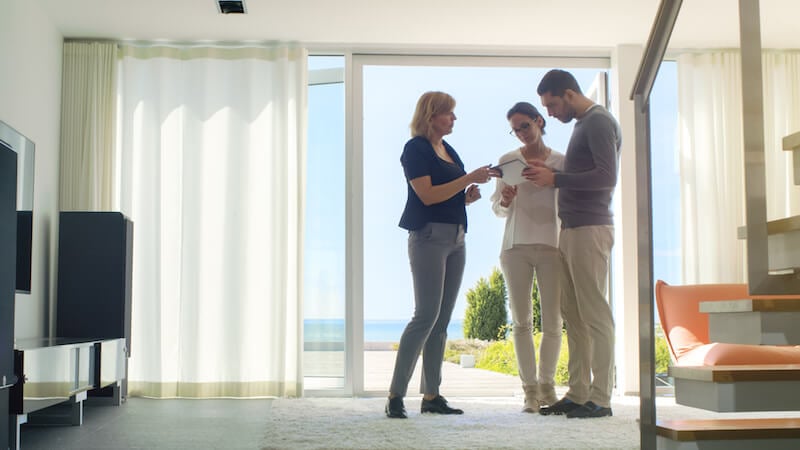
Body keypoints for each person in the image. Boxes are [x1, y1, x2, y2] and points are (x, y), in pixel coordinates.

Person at [386, 91, 496, 419]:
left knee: (442, 320)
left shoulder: (448, 150)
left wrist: (466, 198)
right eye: (449, 113)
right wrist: (467, 178)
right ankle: (395, 396)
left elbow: (446, 196)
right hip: (429, 237)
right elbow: (427, 195)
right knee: (425, 316)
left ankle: (432, 395)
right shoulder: (416, 149)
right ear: (431, 115)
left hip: (456, 238)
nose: (454, 119)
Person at [527, 69, 621, 419]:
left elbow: (607, 176)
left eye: (551, 105)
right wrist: (553, 178)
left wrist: (557, 178)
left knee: (594, 313)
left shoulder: (597, 122)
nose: (549, 113)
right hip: (571, 228)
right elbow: (585, 172)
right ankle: (579, 392)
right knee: (574, 315)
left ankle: (601, 397)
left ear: (568, 94)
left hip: (590, 229)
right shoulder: (583, 125)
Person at [490, 102, 565, 413]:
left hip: (552, 245)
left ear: (539, 121)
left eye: (525, 126)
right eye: (515, 129)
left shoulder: (561, 161)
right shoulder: (507, 160)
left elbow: (570, 201)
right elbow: (497, 208)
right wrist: (505, 199)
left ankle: (547, 387)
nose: (521, 133)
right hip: (515, 247)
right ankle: (529, 392)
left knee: (553, 322)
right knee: (521, 322)